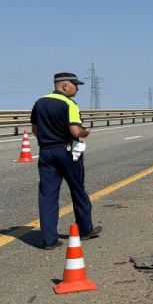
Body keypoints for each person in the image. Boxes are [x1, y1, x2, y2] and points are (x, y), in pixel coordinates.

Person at [30, 72, 101, 249]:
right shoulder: (69, 104)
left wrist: (47, 141)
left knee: (47, 195)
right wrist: (86, 132)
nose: (77, 88)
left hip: (45, 152)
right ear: (64, 86)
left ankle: (49, 240)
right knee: (77, 189)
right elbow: (75, 131)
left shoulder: (39, 103)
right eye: (75, 85)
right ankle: (85, 230)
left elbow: (35, 129)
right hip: (67, 151)